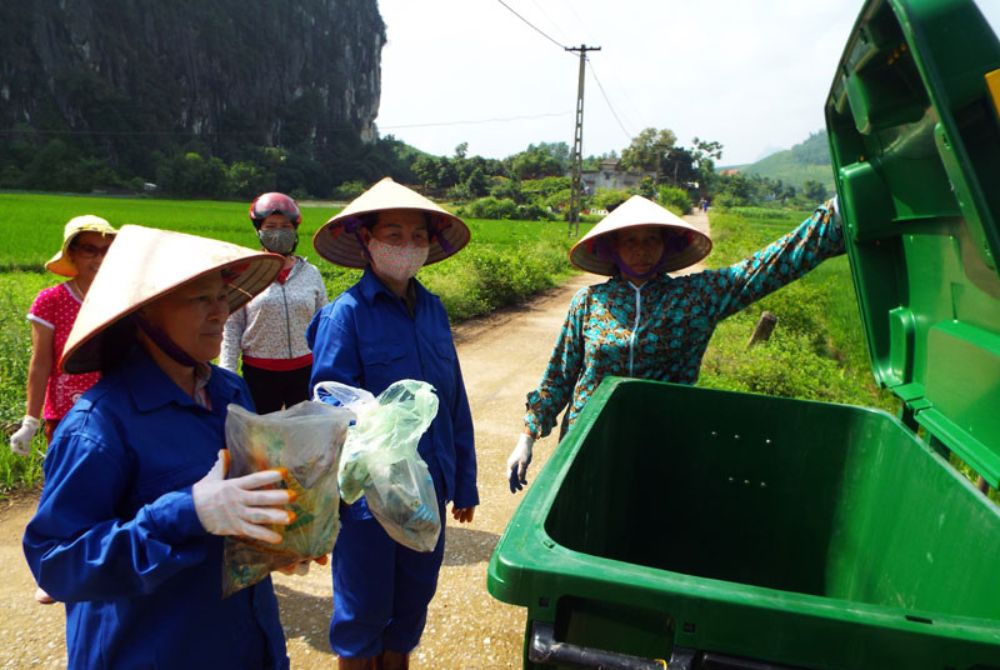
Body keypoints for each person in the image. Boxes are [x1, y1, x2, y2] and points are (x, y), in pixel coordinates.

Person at [23, 225, 297, 669]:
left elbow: (249, 493)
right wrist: (188, 513)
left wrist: (281, 537)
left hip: (243, 639)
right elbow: (57, 565)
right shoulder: (99, 427)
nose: (220, 314)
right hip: (151, 649)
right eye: (200, 299)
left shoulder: (230, 392)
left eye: (222, 297)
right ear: (145, 314)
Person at [507, 195, 844, 492]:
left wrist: (831, 219)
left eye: (651, 239)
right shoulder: (589, 302)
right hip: (587, 443)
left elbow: (764, 269)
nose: (642, 250)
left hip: (662, 445)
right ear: (613, 247)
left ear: (665, 244)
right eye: (631, 240)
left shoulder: (694, 297)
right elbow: (560, 376)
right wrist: (528, 436)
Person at [308, 177, 478, 670]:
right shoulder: (345, 316)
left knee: (410, 609)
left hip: (430, 489)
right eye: (394, 235)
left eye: (418, 236)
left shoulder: (434, 310)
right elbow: (329, 409)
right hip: (368, 500)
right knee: (363, 616)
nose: (408, 247)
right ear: (367, 240)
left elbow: (454, 400)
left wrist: (463, 480)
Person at [9, 215, 117, 605]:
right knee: (63, 490)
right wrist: (31, 420)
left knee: (113, 488)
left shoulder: (123, 296)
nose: (99, 258)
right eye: (90, 249)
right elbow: (40, 364)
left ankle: (103, 562)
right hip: (67, 413)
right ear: (72, 253)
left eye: (106, 250)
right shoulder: (51, 301)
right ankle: (53, 571)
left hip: (116, 408)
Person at [220, 192, 328, 413]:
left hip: (304, 370)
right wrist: (228, 376)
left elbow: (324, 323)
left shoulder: (310, 273)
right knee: (263, 438)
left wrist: (328, 366)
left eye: (285, 226)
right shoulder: (247, 274)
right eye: (271, 226)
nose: (278, 232)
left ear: (295, 229)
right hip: (260, 374)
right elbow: (232, 327)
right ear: (259, 230)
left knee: (303, 434)